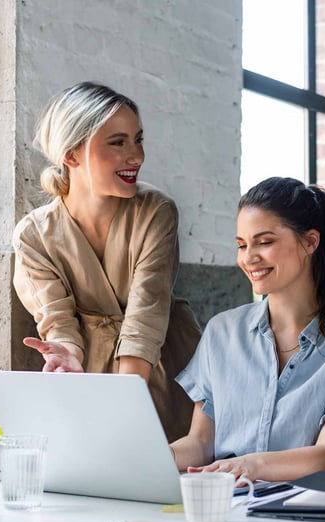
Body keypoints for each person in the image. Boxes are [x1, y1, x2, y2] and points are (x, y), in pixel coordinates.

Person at [12, 82, 202, 441]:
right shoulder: (34, 235)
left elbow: (146, 317)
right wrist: (66, 361)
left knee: (166, 474)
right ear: (71, 155)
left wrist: (124, 404)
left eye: (138, 140)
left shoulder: (156, 211)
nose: (137, 156)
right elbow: (58, 321)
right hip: (91, 377)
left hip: (162, 361)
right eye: (118, 142)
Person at [169, 177, 325, 481]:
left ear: (310, 242)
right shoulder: (222, 332)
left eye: (265, 242)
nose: (249, 258)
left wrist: (250, 466)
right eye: (242, 245)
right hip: (237, 500)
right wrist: (156, 458)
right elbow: (201, 442)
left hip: (319, 507)